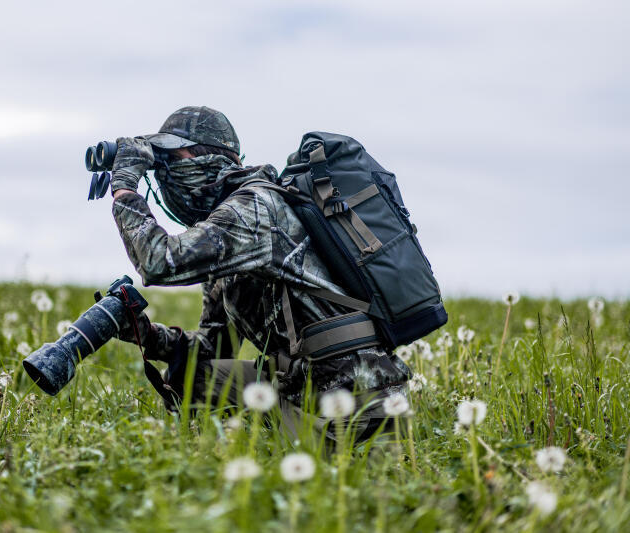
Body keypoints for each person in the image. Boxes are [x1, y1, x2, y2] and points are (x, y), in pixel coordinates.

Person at [110, 106, 411, 445]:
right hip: (306, 386)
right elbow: (215, 347)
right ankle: (236, 445)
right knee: (191, 377)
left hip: (355, 403)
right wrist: (147, 335)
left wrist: (124, 188)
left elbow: (157, 261)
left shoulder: (254, 208)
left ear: (207, 158)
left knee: (339, 474)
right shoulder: (227, 228)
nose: (165, 174)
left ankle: (283, 450)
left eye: (171, 159)